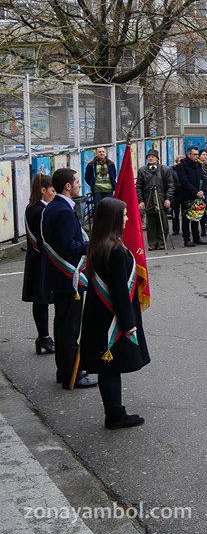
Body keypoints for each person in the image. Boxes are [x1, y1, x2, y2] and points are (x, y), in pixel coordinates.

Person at [79, 197, 150, 429]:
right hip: (113, 318)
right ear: (114, 219)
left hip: (98, 315)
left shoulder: (98, 245)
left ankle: (115, 411)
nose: (128, 218)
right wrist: (129, 323)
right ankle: (115, 415)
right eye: (124, 214)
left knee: (107, 368)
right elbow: (120, 291)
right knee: (111, 367)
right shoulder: (116, 250)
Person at [41, 168, 97, 389]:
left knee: (62, 325)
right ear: (67, 186)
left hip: (61, 279)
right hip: (68, 278)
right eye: (76, 181)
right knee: (69, 329)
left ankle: (63, 369)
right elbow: (67, 246)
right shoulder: (63, 211)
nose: (78, 185)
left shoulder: (55, 206)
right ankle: (72, 374)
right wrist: (89, 245)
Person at [23, 174, 55, 355]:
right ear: (43, 190)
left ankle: (43, 337)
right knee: (41, 300)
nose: (53, 194)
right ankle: (43, 337)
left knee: (41, 300)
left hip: (36, 259)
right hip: (41, 259)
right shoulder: (39, 211)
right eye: (52, 191)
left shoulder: (32, 207)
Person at [135, 149, 175, 251]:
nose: (150, 158)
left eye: (152, 157)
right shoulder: (142, 170)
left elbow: (171, 185)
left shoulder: (164, 169)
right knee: (151, 223)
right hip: (148, 199)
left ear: (157, 158)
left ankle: (162, 242)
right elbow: (138, 187)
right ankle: (152, 243)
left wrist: (168, 198)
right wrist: (140, 201)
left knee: (163, 222)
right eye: (149, 157)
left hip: (161, 198)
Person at [83, 146, 117, 212]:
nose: (101, 153)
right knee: (98, 209)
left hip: (109, 190)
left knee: (109, 208)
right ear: (96, 153)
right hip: (97, 191)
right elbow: (87, 177)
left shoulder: (110, 164)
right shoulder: (91, 164)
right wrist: (92, 184)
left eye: (103, 152)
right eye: (99, 152)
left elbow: (114, 175)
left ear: (105, 153)